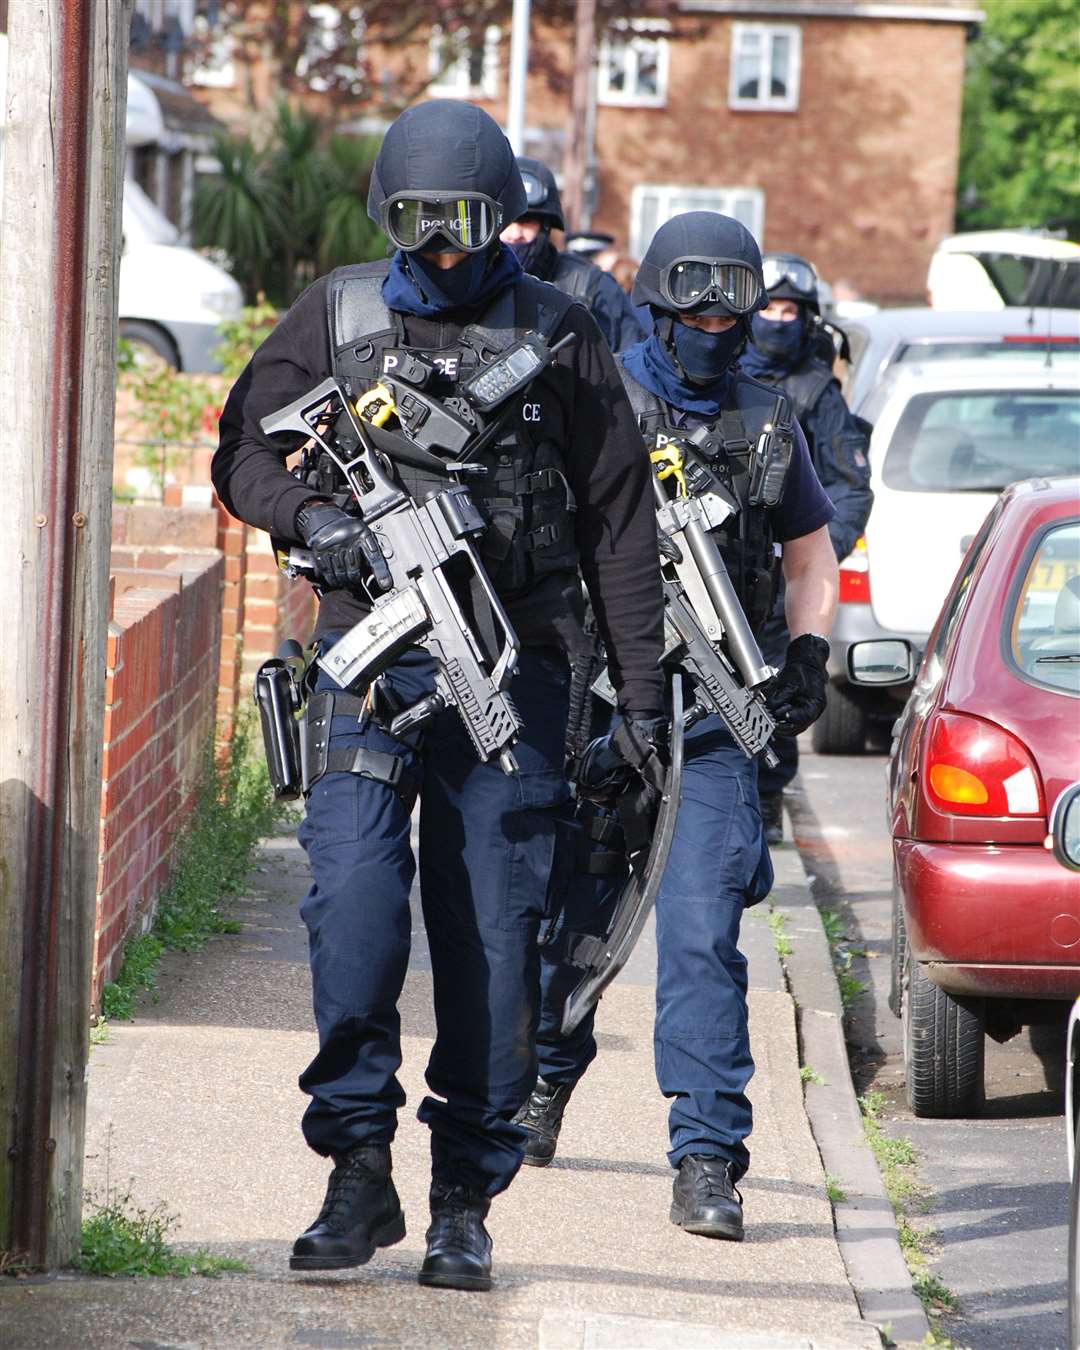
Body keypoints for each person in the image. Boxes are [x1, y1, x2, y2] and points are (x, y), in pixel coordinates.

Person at [211, 99, 667, 1292]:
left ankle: (465, 1195)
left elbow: (623, 524)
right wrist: (311, 515)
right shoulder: (341, 312)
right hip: (373, 659)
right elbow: (243, 452)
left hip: (516, 673)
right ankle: (359, 1168)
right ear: (389, 217)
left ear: (505, 218)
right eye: (420, 220)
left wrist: (643, 703)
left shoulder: (560, 336)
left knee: (492, 946)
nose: (446, 247)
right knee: (353, 912)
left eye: (466, 221)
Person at [519, 213, 839, 1241]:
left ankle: (707, 1155)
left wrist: (808, 654)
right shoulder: (598, 391)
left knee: (702, 937)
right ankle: (541, 1079)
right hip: (600, 709)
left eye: (729, 309)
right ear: (658, 304)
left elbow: (807, 552)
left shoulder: (766, 415)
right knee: (567, 919)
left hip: (712, 720)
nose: (712, 325)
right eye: (693, 308)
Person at [741, 252, 873, 842]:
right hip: (711, 565)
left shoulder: (817, 393)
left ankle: (768, 801)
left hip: (783, 572)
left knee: (782, 684)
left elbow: (848, 486)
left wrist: (817, 551)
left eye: (790, 309)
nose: (777, 318)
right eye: (767, 305)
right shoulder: (715, 383)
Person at [500, 158, 645, 352]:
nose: (515, 234)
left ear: (546, 226)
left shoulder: (591, 287)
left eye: (527, 222)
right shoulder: (472, 285)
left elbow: (631, 363)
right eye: (509, 220)